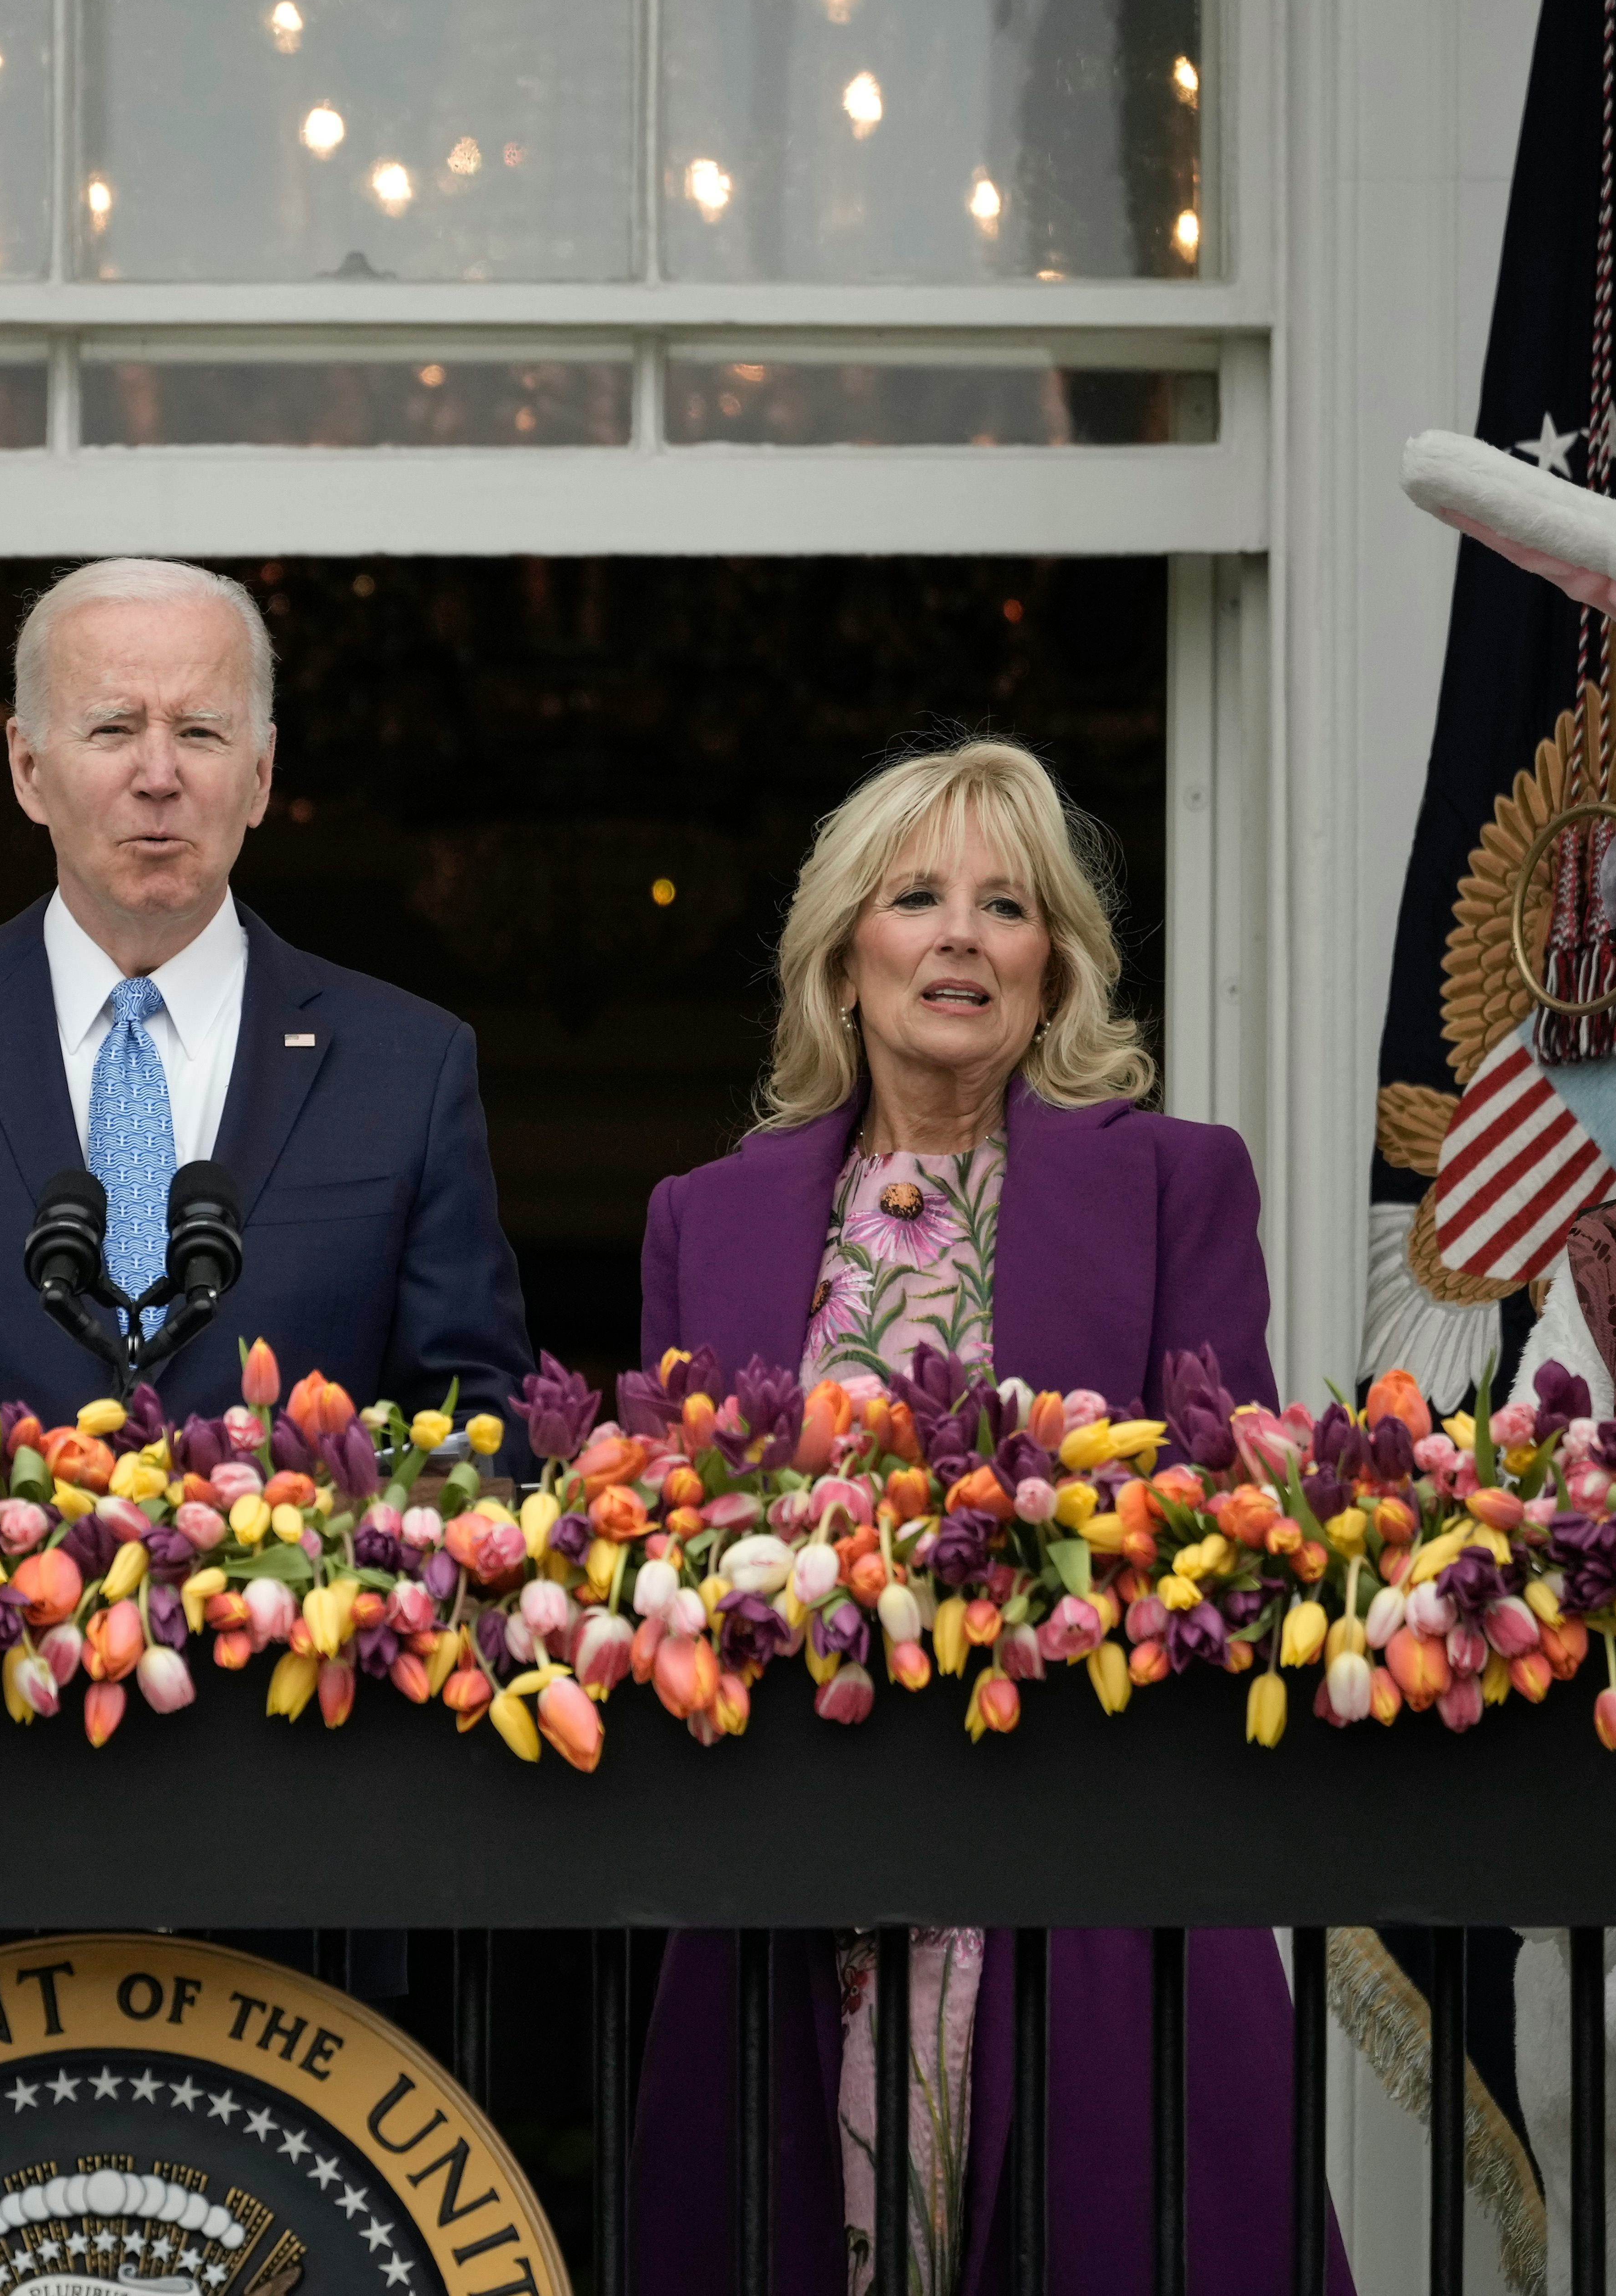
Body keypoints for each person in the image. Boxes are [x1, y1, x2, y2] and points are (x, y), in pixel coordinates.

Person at [626, 739, 1348, 2294]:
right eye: (915, 896)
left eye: (1004, 904)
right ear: (842, 958)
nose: (959, 931)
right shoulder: (711, 1213)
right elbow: (662, 1531)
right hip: (792, 1863)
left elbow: (1236, 1506)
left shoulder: (1170, 1181)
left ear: (1050, 971)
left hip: (1082, 1853)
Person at [0, 555, 532, 1436]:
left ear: (262, 776)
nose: (158, 774)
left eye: (202, 733)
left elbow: (482, 1424)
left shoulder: (407, 1065)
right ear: (27, 769)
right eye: (113, 729)